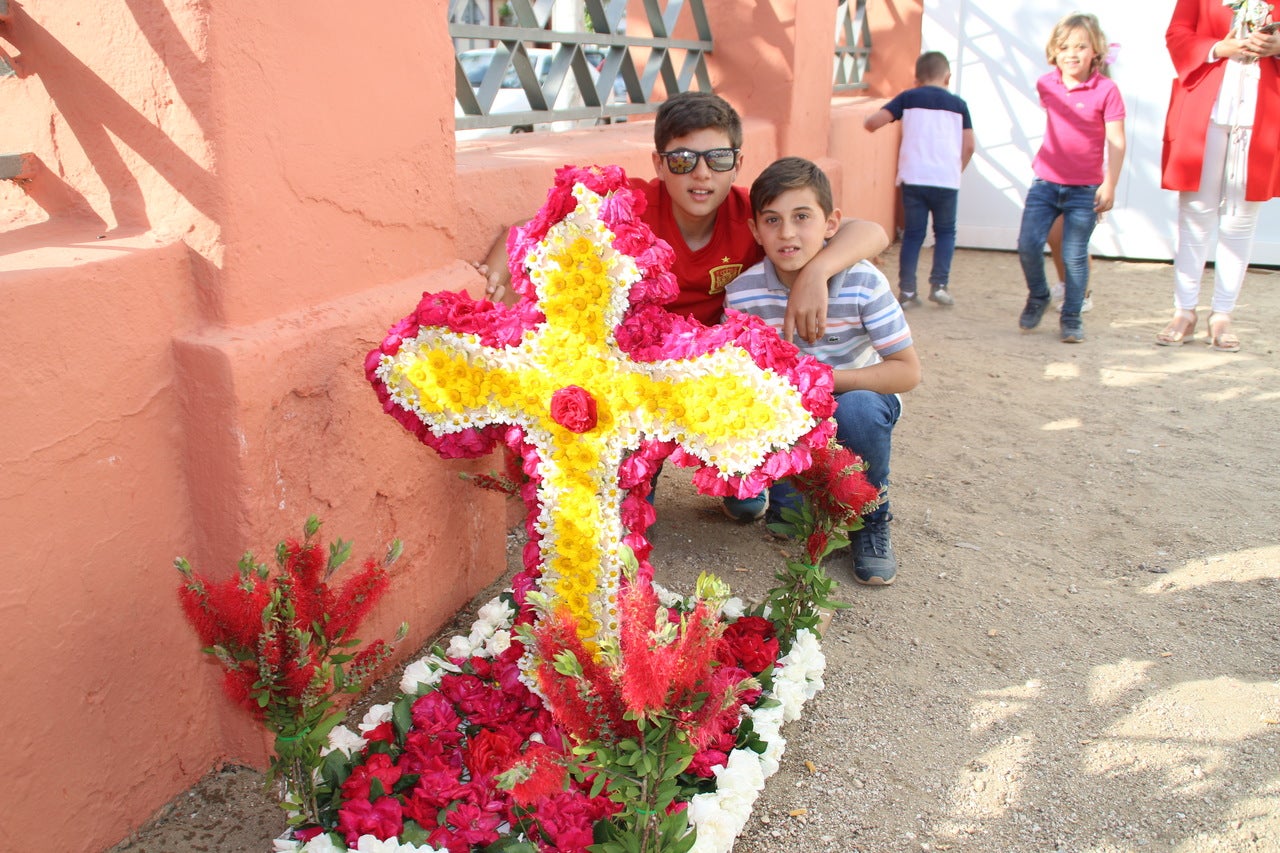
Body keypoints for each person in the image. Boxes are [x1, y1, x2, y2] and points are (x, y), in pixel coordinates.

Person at [477, 92, 890, 521]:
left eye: (718, 158)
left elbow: (870, 230)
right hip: (637, 373)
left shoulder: (756, 215)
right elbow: (534, 224)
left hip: (716, 373)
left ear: (737, 163)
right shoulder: (630, 207)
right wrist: (498, 264)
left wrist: (815, 272)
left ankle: (743, 478)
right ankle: (638, 476)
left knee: (751, 385)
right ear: (658, 165)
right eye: (682, 160)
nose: (702, 174)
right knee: (620, 512)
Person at [724, 157, 921, 586]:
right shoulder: (744, 293)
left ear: (831, 223)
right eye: (772, 221)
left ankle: (871, 520)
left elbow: (907, 372)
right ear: (756, 231)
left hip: (855, 397)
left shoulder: (862, 283)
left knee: (861, 412)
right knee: (787, 522)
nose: (787, 233)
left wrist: (828, 380)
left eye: (802, 217)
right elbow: (736, 378)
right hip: (786, 413)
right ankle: (770, 486)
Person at [1157, 0, 1280, 351]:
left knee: (1241, 218)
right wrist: (1218, 47)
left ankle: (1223, 313)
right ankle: (1184, 310)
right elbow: (1177, 33)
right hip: (1206, 103)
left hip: (1263, 109)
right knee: (1195, 212)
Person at [1016, 12, 1126, 343]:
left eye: (1081, 46)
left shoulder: (1107, 90)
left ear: (1096, 51)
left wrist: (1110, 184)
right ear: (1054, 51)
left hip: (1084, 189)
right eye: (1064, 47)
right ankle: (1039, 295)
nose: (1072, 54)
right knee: (1027, 244)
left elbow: (1116, 140)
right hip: (1046, 182)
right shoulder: (1046, 84)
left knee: (1074, 254)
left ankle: (1072, 316)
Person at [864, 51, 974, 308]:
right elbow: (969, 146)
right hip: (946, 180)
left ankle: (909, 292)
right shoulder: (959, 105)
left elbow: (873, 122)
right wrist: (956, 170)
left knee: (913, 234)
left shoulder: (909, 98)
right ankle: (940, 285)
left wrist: (873, 120)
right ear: (947, 77)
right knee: (945, 232)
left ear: (917, 80)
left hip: (914, 177)